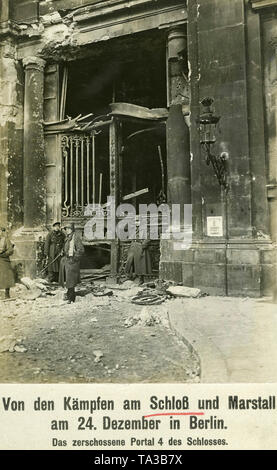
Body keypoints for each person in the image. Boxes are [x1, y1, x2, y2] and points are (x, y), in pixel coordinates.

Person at [59, 223, 84, 303]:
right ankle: (69, 294)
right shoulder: (67, 237)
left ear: (72, 229)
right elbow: (66, 247)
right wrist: (63, 251)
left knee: (71, 280)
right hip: (67, 260)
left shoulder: (75, 238)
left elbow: (81, 250)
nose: (67, 230)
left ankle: (71, 298)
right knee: (68, 279)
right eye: (66, 229)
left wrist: (74, 258)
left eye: (69, 229)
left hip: (72, 261)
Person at [0, 227, 15, 299]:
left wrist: (3, 255)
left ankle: (7, 293)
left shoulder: (6, 240)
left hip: (4, 259)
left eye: (0, 231)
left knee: (7, 276)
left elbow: (10, 250)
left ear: (2, 232)